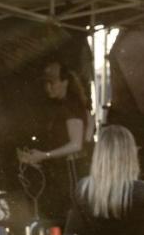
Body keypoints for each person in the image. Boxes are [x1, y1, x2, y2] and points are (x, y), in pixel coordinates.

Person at [18, 59, 92, 223]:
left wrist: (45, 155)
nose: (48, 87)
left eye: (52, 83)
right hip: (64, 170)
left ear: (65, 82)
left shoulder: (71, 107)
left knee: (69, 215)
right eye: (46, 83)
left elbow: (76, 143)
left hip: (72, 170)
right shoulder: (62, 106)